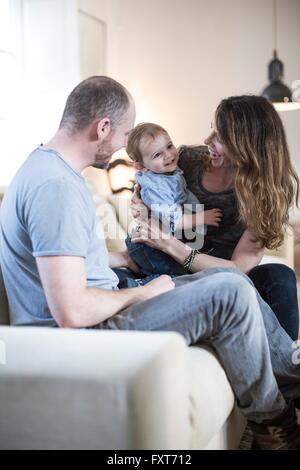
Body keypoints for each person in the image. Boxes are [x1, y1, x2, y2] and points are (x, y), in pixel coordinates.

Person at [0, 78, 300, 449]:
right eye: (127, 135)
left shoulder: (52, 173)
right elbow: (72, 311)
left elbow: (69, 260)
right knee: (229, 292)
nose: (129, 151)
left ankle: (285, 388)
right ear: (103, 128)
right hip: (90, 334)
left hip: (103, 313)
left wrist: (124, 260)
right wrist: (142, 293)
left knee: (235, 281)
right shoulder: (55, 188)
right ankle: (276, 421)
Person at [129, 95, 300, 341]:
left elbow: (239, 269)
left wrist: (171, 244)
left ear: (246, 145)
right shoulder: (186, 160)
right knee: (128, 273)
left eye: (219, 137)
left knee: (280, 276)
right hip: (168, 265)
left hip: (219, 271)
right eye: (212, 129)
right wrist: (140, 208)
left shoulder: (268, 192)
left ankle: (285, 364)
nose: (207, 140)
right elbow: (150, 196)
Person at [124, 122, 222, 285]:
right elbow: (174, 220)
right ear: (141, 166)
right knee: (174, 278)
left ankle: (129, 266)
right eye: (157, 155)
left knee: (181, 273)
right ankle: (134, 286)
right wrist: (202, 218)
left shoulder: (168, 173)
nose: (168, 155)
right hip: (149, 245)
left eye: (169, 146)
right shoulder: (156, 188)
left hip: (162, 242)